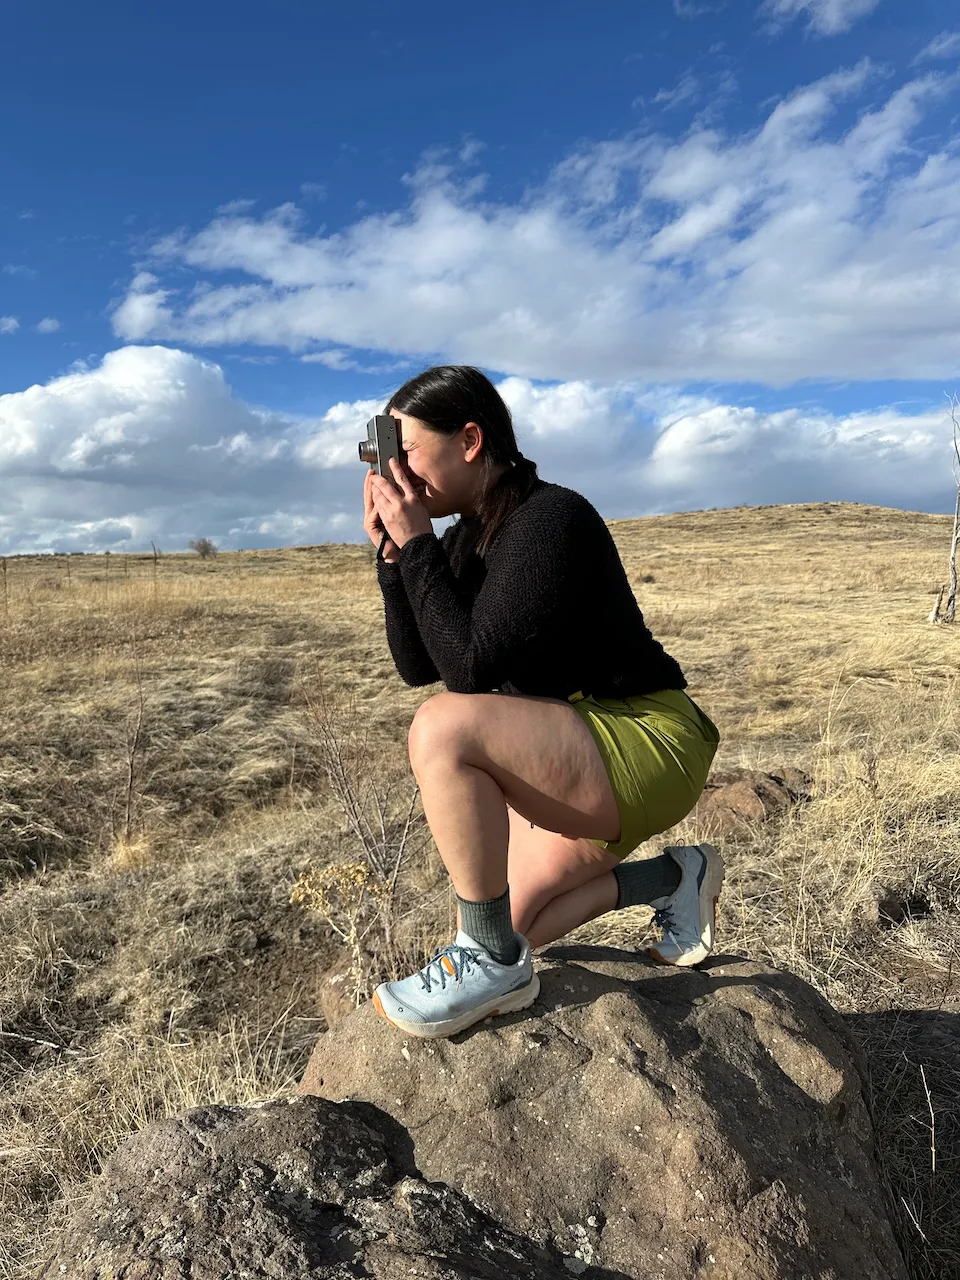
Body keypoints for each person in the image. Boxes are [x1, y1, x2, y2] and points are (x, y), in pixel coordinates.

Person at [362, 365, 722, 1040]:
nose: (397, 474)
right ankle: (675, 878)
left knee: (443, 731)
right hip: (575, 741)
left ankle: (488, 961)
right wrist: (393, 558)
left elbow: (464, 674)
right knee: (518, 924)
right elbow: (420, 665)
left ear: (469, 440)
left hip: (649, 736)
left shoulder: (552, 520)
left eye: (404, 452)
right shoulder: (465, 536)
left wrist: (415, 544)